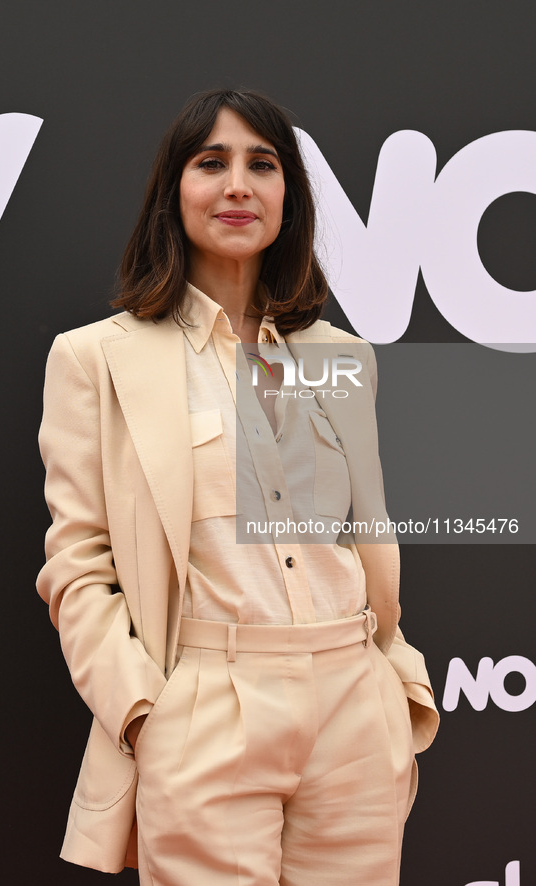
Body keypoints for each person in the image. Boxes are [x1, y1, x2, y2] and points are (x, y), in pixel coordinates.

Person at [37, 88, 439, 886]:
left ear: (288, 196)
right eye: (209, 163)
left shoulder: (343, 357)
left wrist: (391, 675)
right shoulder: (98, 358)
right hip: (204, 708)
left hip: (353, 709)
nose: (236, 186)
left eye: (262, 164)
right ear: (171, 193)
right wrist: (145, 713)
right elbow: (78, 566)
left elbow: (362, 535)